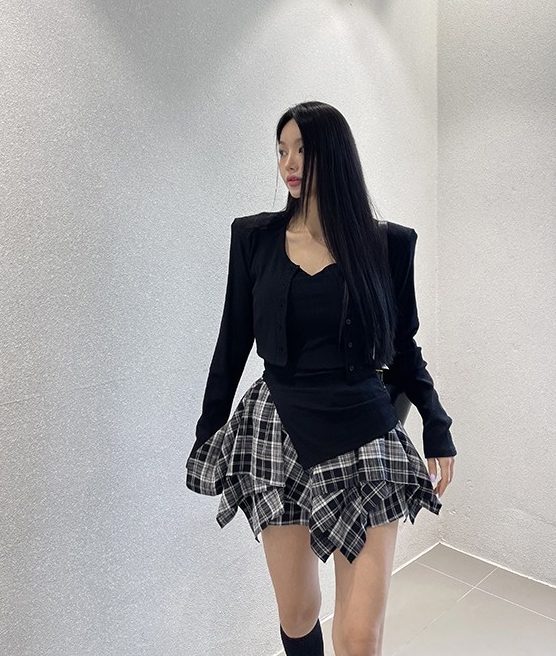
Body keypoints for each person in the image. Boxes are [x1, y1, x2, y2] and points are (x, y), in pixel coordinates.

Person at [186, 101, 456, 656]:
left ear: (333, 156)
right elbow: (232, 341)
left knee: (358, 638)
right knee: (298, 613)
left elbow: (405, 348)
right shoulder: (254, 239)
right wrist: (209, 430)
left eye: (302, 150)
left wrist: (436, 423)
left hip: (365, 437)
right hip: (275, 434)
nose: (288, 163)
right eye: (281, 150)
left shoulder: (387, 245)